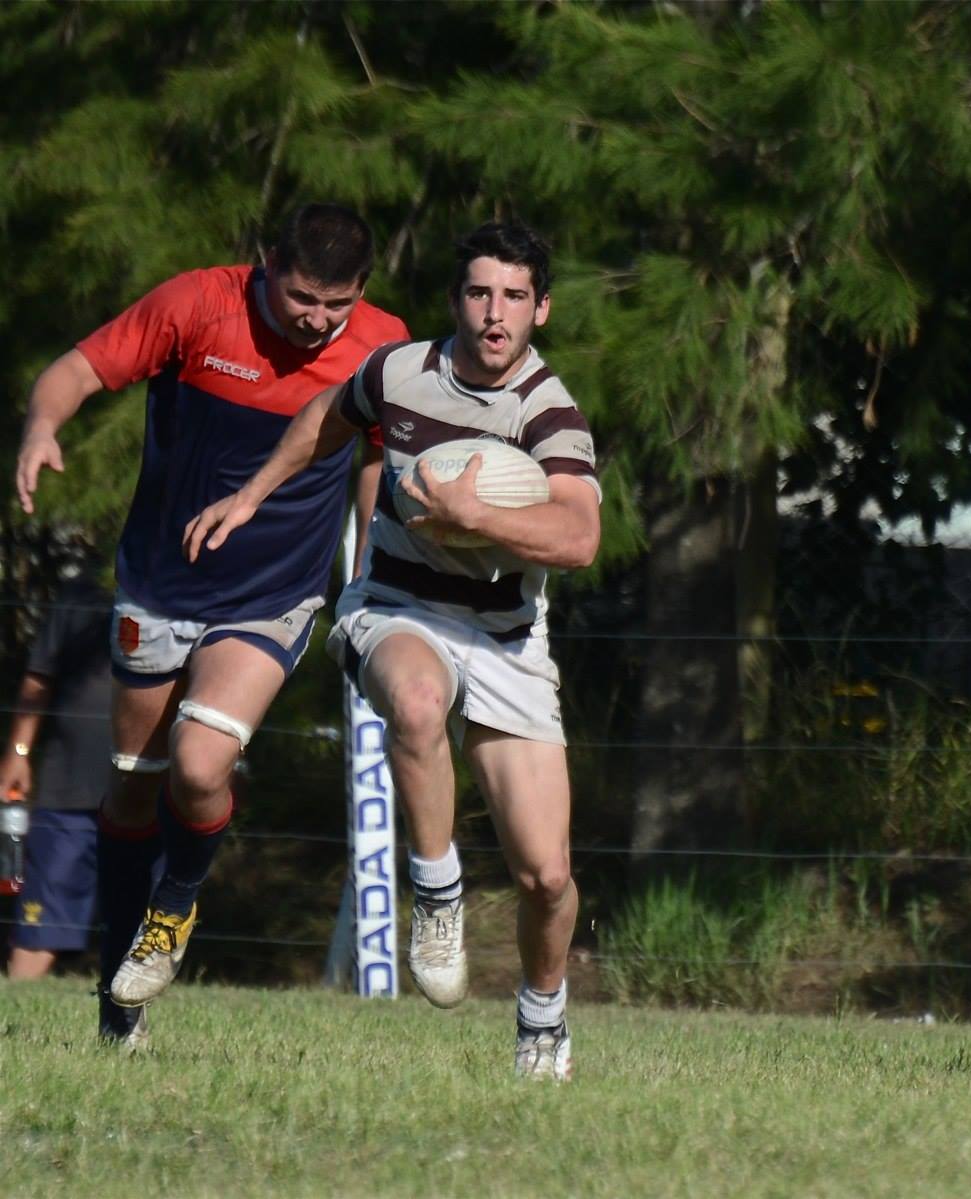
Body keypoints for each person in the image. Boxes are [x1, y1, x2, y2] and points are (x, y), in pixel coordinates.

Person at [185, 221, 599, 1080]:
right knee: (414, 701)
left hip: (507, 638)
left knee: (547, 876)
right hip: (398, 605)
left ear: (541, 309)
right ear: (456, 300)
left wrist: (471, 516)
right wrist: (251, 496)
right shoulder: (399, 371)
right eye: (479, 292)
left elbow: (578, 535)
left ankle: (541, 1019)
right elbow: (321, 420)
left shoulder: (549, 411)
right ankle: (437, 889)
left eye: (514, 297)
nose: (495, 313)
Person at [14, 204, 406, 1044]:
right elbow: (75, 370)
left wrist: (369, 561)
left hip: (272, 596)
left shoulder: (381, 341)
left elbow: (375, 449)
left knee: (201, 765)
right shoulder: (198, 304)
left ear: (361, 293)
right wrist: (42, 427)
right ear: (267, 264)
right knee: (132, 787)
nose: (318, 319)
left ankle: (176, 908)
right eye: (303, 296)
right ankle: (121, 1005)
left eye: (337, 303)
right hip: (158, 585)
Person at [4, 561, 114, 982]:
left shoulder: (187, 587)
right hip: (66, 790)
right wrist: (17, 753)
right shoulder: (83, 592)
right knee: (38, 927)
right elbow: (38, 679)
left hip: (150, 791)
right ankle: (14, 1016)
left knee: (144, 930)